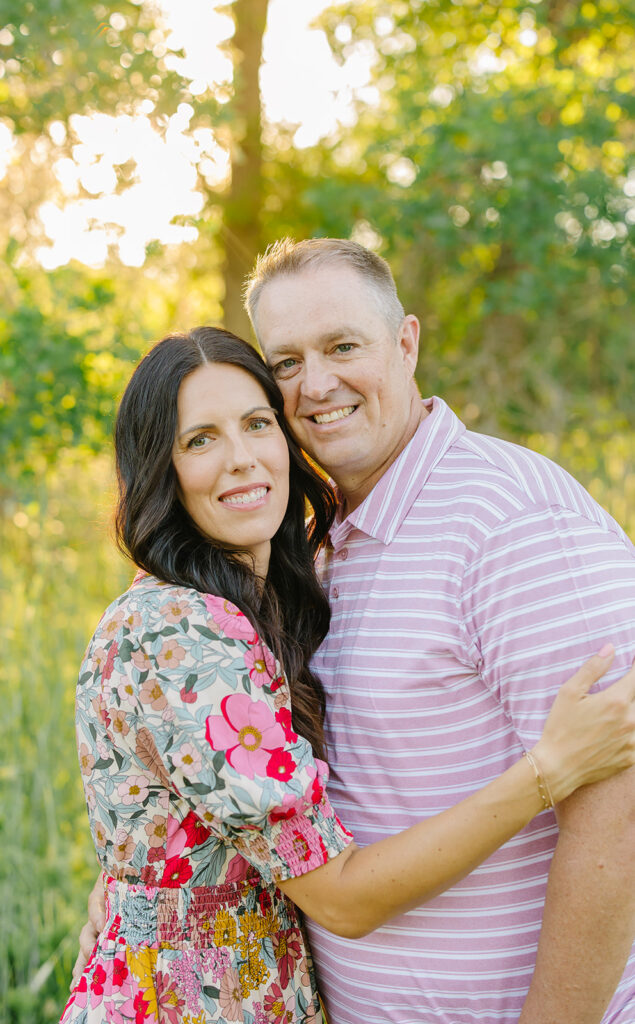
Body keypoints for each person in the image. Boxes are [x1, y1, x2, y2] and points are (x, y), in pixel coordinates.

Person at [62, 327, 635, 1024]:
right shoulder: (182, 631)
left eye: (255, 424)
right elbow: (340, 898)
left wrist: (143, 880)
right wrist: (546, 771)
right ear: (162, 468)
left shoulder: (265, 601)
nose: (241, 460)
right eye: (200, 440)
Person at [242, 238, 635, 1024]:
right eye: (285, 363)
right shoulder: (309, 540)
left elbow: (618, 801)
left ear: (406, 342)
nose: (316, 384)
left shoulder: (510, 520)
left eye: (342, 346)